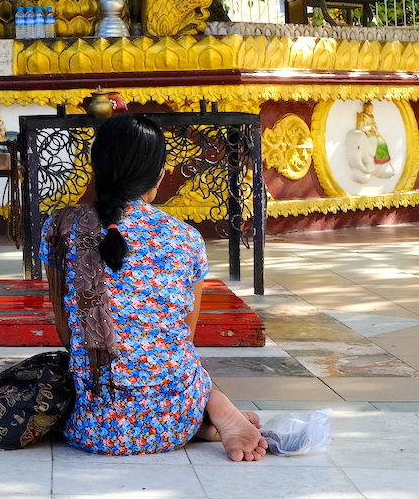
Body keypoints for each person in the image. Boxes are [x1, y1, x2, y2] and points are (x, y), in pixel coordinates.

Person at [41, 114, 266, 461]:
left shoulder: (60, 228)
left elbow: (65, 332)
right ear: (159, 177)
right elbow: (185, 336)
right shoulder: (187, 238)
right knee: (172, 359)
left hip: (95, 426)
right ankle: (206, 409)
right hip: (175, 415)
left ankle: (205, 416)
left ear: (95, 169)